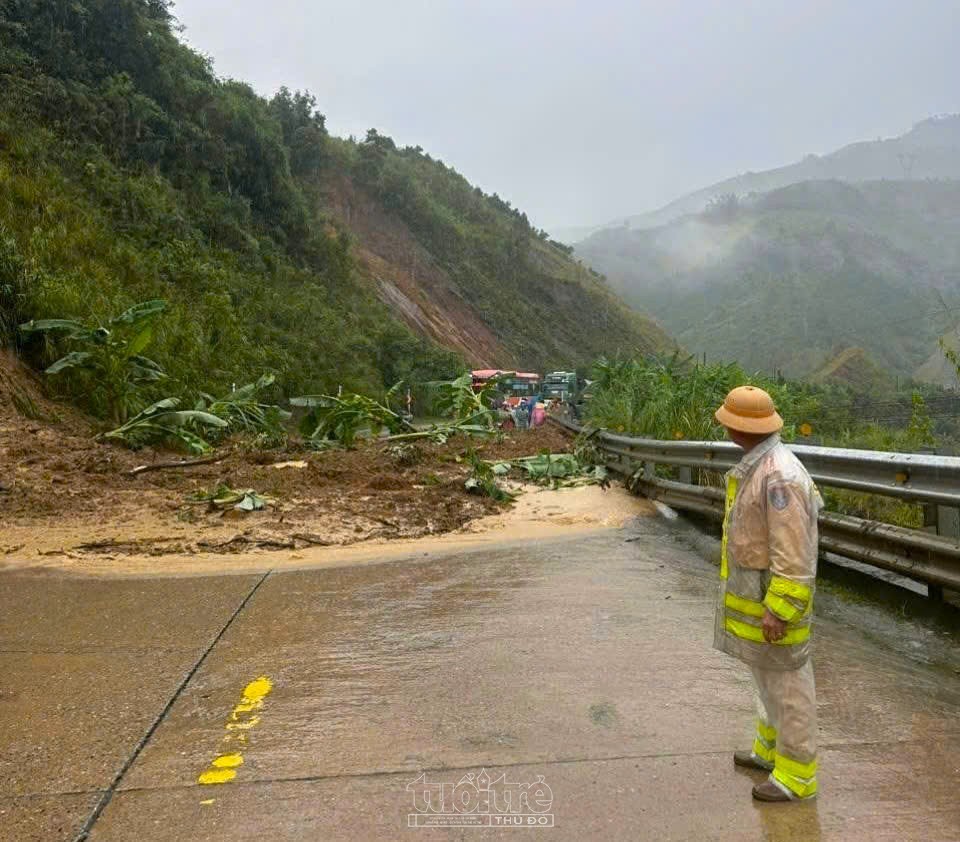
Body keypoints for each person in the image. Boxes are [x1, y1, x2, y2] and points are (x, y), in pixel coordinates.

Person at [713, 385, 823, 803]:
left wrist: (780, 609)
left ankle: (796, 776)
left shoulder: (779, 477)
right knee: (766, 680)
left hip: (775, 609)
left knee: (788, 688)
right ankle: (771, 751)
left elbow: (793, 552)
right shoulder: (758, 466)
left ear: (739, 427)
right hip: (760, 606)